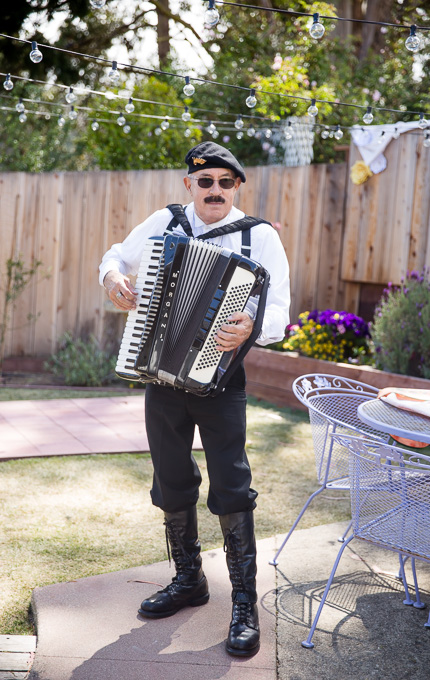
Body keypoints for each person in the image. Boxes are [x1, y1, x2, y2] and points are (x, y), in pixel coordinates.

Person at [99, 141, 290, 658]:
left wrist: (252, 324)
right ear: (190, 185)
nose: (215, 191)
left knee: (232, 485)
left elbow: (279, 316)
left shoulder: (260, 237)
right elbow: (115, 254)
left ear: (236, 188)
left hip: (222, 383)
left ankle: (245, 602)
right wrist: (114, 276)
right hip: (161, 376)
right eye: (205, 182)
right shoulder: (166, 222)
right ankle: (189, 579)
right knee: (171, 478)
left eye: (225, 183)